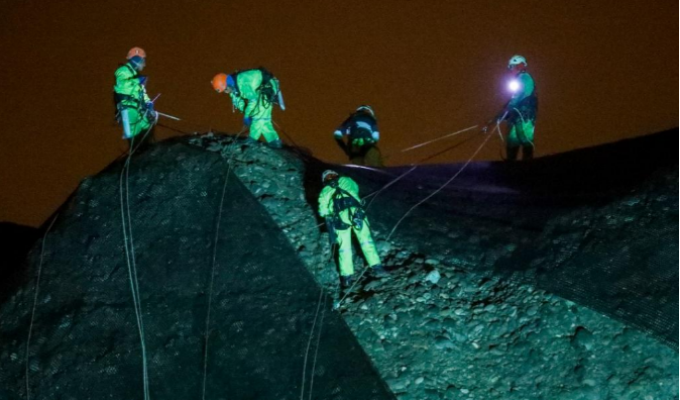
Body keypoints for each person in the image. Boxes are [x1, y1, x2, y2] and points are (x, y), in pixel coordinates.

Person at [318, 170, 387, 288]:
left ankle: (347, 278)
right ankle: (377, 267)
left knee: (344, 248)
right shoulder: (347, 180)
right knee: (366, 241)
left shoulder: (325, 191)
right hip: (357, 213)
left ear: (324, 181)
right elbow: (355, 189)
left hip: (340, 219)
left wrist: (329, 212)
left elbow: (322, 211)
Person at [211, 68, 284, 149]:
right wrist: (247, 113)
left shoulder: (242, 82)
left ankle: (252, 140)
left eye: (226, 90)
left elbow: (253, 100)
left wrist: (247, 115)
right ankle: (274, 141)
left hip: (266, 88)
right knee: (264, 120)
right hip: (261, 91)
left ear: (228, 84)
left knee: (258, 118)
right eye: (224, 91)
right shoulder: (233, 87)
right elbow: (238, 101)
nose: (226, 92)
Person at [494, 55, 538, 161]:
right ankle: (511, 163)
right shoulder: (518, 79)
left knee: (524, 137)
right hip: (516, 115)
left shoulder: (525, 77)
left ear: (520, 65)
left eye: (512, 67)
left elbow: (519, 95)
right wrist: (504, 113)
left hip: (525, 114)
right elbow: (514, 98)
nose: (511, 70)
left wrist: (508, 109)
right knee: (512, 139)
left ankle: (528, 163)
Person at [113, 47, 158, 149]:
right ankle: (136, 151)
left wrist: (149, 103)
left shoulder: (135, 74)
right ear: (136, 60)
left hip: (139, 108)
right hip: (128, 107)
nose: (144, 64)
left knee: (148, 124)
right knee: (134, 132)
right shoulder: (123, 71)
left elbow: (142, 92)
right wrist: (137, 81)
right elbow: (121, 86)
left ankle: (147, 148)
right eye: (143, 61)